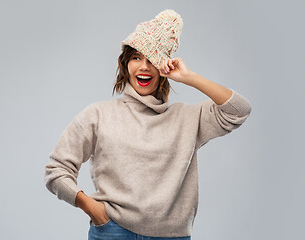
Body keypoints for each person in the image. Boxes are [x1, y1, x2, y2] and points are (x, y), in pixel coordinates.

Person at [44, 9, 252, 240]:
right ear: (125, 64)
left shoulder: (188, 118)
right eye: (136, 57)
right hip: (112, 232)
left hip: (171, 236)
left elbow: (239, 110)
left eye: (152, 59)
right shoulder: (98, 115)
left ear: (165, 69)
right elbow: (56, 171)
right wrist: (93, 210)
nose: (144, 66)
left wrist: (189, 77)